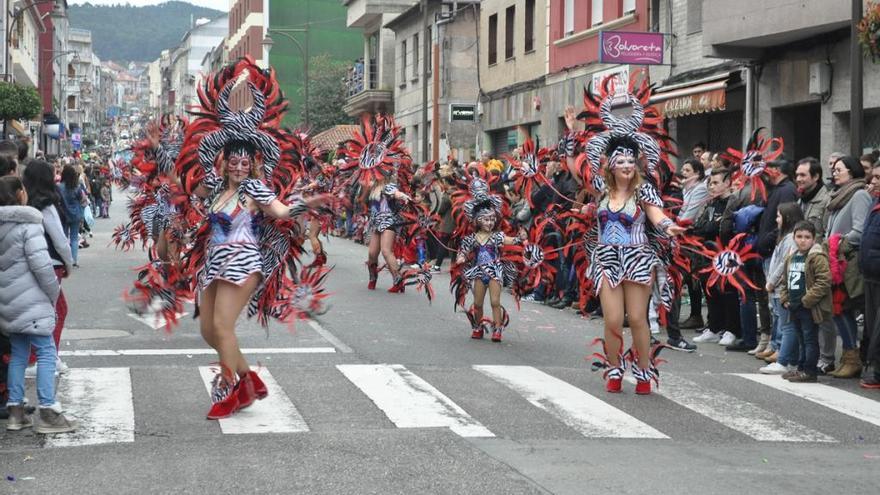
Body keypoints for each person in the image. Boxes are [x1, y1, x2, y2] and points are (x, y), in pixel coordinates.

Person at [173, 58, 332, 420]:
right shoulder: (214, 187)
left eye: (246, 161)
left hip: (244, 262)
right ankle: (248, 380)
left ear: (253, 163)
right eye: (234, 161)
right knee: (207, 331)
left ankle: (231, 389)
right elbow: (193, 168)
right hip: (214, 264)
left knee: (222, 327)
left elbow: (278, 212)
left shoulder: (256, 188)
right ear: (225, 161)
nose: (240, 166)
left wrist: (304, 204)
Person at [0, 176, 77, 433]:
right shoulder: (28, 224)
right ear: (20, 193)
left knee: (19, 353)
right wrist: (53, 291)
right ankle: (47, 411)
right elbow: (42, 266)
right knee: (46, 350)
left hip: (8, 300)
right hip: (32, 299)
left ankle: (15, 412)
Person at [22, 160, 75, 375]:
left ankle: (42, 357)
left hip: (31, 264)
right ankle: (44, 359)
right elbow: (60, 239)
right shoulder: (47, 205)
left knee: (46, 311)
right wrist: (69, 263)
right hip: (51, 264)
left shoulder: (25, 204)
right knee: (55, 311)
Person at [453, 179, 523, 342]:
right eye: (486, 219)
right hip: (478, 272)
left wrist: (521, 238)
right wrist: (461, 257)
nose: (490, 222)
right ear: (477, 220)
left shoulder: (497, 236)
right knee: (477, 303)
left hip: (495, 271)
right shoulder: (471, 238)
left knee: (495, 301)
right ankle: (477, 327)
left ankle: (497, 329)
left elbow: (511, 241)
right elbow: (462, 252)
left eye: (492, 219)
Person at [825, 155, 873, 378]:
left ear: (852, 171)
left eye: (839, 169)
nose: (835, 173)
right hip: (834, 260)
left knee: (843, 309)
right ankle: (846, 355)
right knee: (837, 311)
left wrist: (836, 243)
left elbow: (859, 231)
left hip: (847, 262)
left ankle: (852, 357)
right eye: (834, 169)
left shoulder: (859, 194)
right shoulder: (838, 197)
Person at [794, 156, 834, 373]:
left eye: (803, 175)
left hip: (817, 261)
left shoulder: (825, 200)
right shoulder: (801, 199)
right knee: (803, 317)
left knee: (822, 313)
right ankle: (806, 359)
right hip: (800, 261)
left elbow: (826, 233)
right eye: (797, 174)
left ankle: (827, 359)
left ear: (816, 177)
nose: (798, 179)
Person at [780, 220, 832, 383]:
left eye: (807, 237)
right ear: (794, 237)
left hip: (809, 306)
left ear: (814, 238)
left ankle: (810, 371)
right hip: (794, 305)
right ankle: (801, 368)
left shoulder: (816, 257)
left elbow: (824, 281)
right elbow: (785, 281)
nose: (803, 240)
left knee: (810, 339)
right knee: (801, 339)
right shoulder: (792, 257)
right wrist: (785, 298)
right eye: (799, 236)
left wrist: (806, 300)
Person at [761, 202, 803, 373]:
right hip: (777, 288)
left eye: (779, 216)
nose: (776, 220)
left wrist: (771, 281)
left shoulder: (791, 239)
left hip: (782, 289)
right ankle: (792, 361)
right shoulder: (785, 237)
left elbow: (784, 264)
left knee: (787, 326)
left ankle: (783, 360)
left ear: (787, 218)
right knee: (785, 324)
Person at [678, 158, 708, 330]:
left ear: (697, 173)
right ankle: (695, 315)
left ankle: (697, 315)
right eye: (683, 169)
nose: (683, 172)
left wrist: (673, 226)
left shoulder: (700, 189)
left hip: (695, 238)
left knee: (695, 278)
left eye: (687, 170)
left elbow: (689, 214)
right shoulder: (687, 189)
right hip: (686, 236)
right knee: (690, 278)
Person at [860, 161, 880, 390]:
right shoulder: (874, 201)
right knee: (872, 325)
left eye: (877, 177)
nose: (872, 181)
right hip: (870, 274)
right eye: (872, 176)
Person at [57, 165, 86, 267]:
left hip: (63, 214)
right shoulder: (76, 187)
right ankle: (74, 260)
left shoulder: (59, 187)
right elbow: (82, 199)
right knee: (74, 238)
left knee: (64, 238)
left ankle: (65, 259)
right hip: (76, 214)